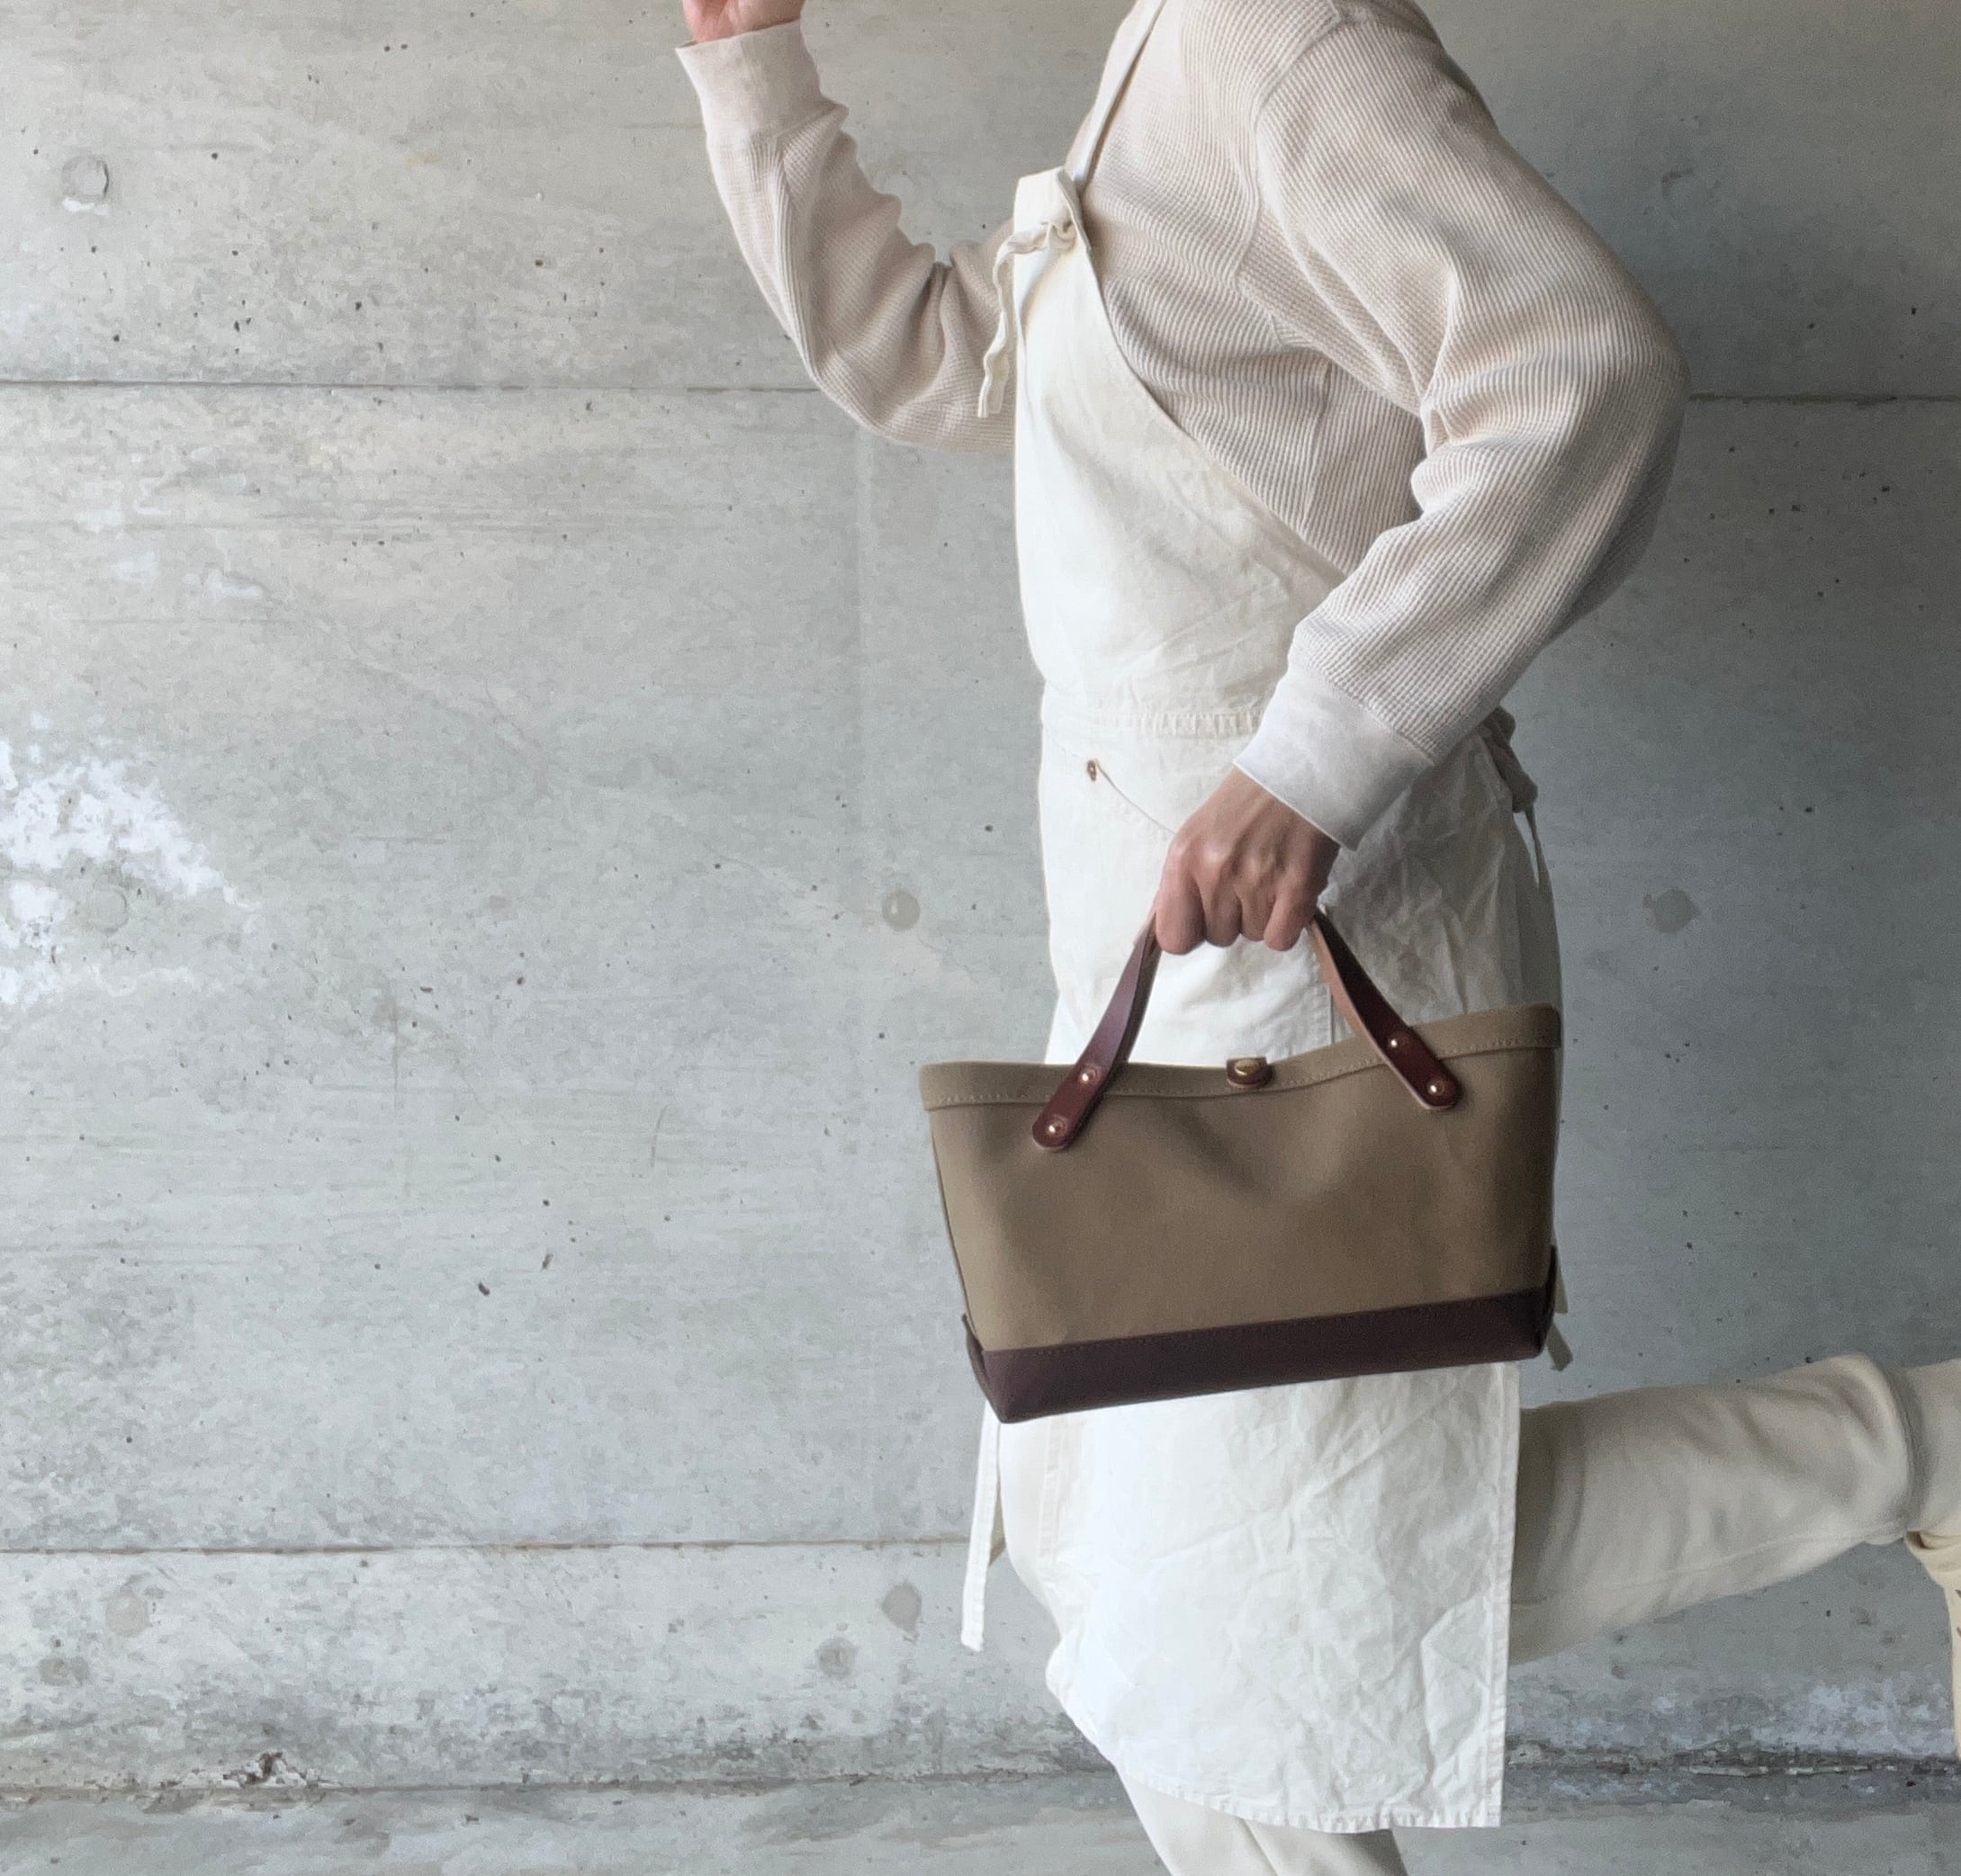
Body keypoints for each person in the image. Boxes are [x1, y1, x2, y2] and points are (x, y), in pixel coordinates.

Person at [676, 1, 1961, 1868]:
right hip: (1177, 953)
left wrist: (1311, 759)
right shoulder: (1167, 46)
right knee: (1181, 1559)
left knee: (1238, 1611)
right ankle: (1923, 1445)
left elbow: (1582, 369)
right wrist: (753, 66)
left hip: (1319, 956)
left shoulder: (1272, 37)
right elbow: (949, 364)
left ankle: (1922, 1446)